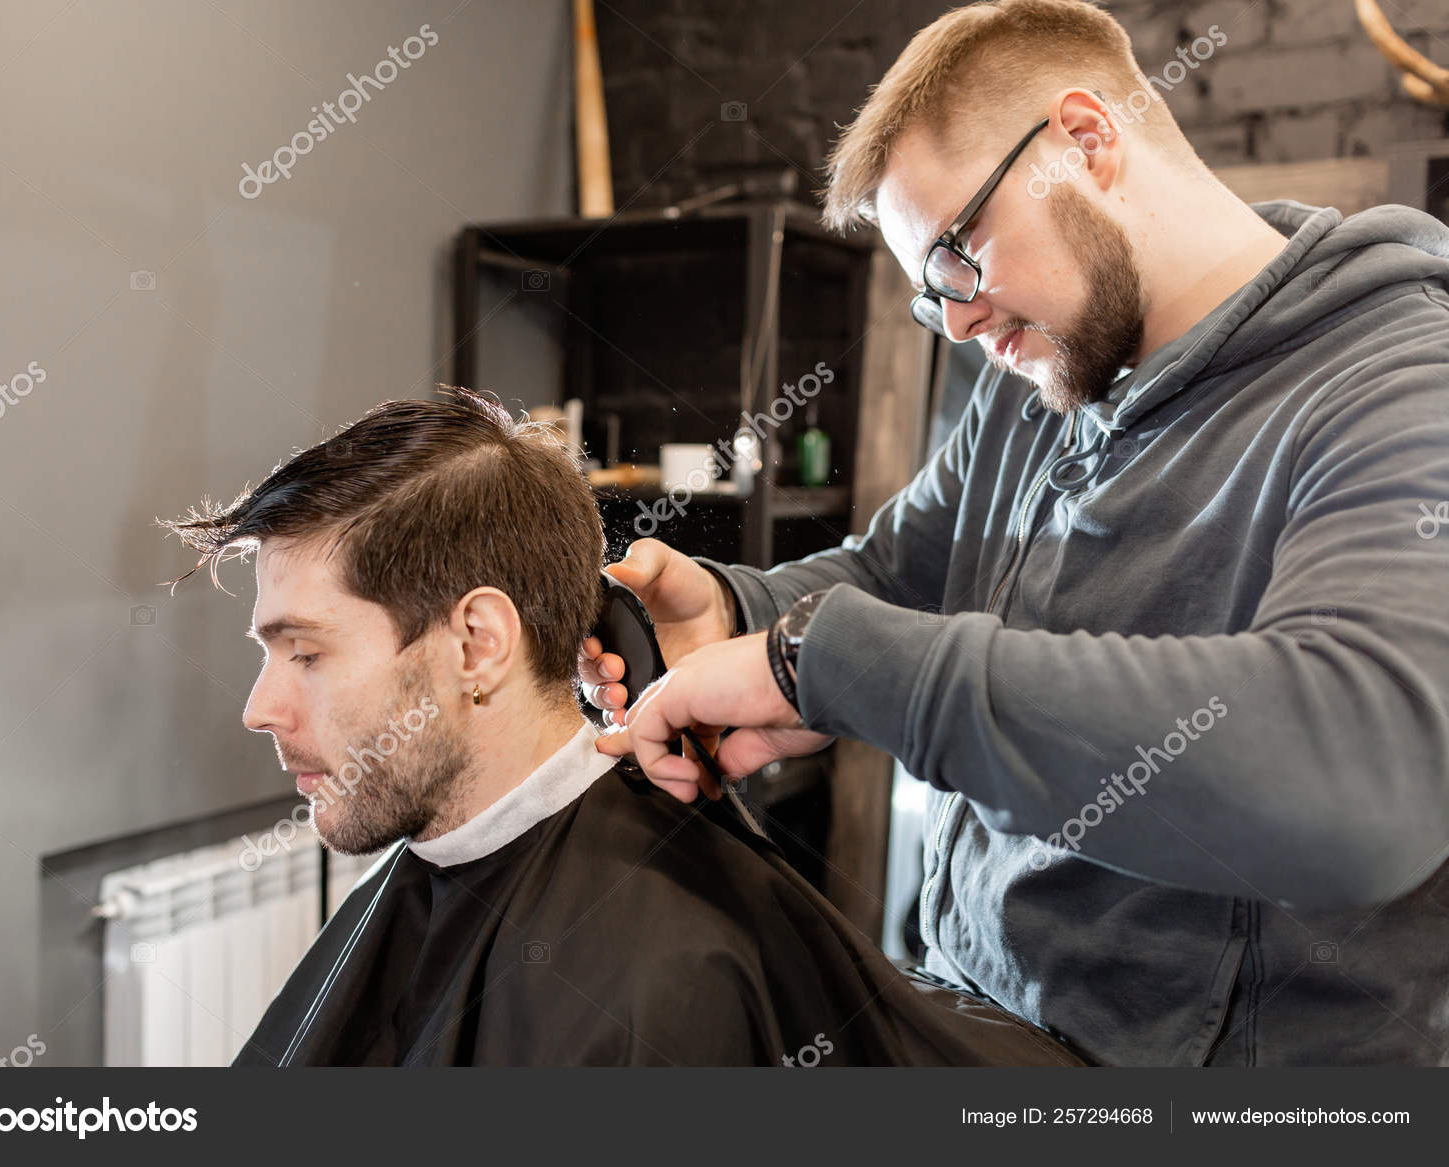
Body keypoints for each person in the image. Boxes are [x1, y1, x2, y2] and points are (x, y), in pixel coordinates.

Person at [586, 0, 1449, 1066]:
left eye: (955, 255)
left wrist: (826, 664)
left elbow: (1362, 777)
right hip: (973, 1022)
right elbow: (905, 573)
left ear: (1085, 142)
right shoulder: (1049, 376)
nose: (955, 321)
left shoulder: (1403, 382)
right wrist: (733, 611)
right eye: (926, 294)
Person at [159, 388, 1081, 1067]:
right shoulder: (443, 864)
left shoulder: (660, 984)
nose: (259, 708)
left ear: (478, 643)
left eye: (306, 652)